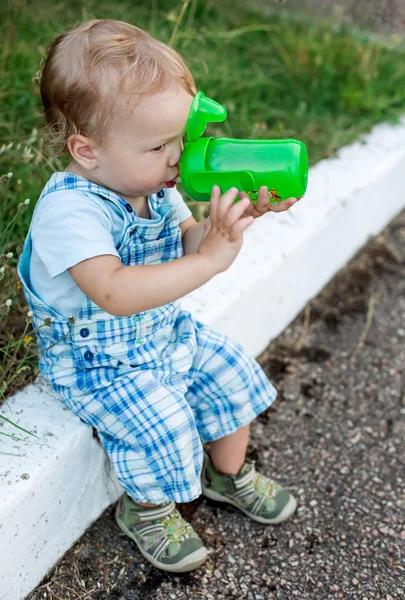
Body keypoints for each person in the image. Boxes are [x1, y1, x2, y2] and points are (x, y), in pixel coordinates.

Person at [18, 19, 301, 573]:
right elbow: (115, 292)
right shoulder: (69, 210)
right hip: (97, 362)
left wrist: (233, 220)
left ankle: (229, 475)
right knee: (162, 419)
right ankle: (146, 510)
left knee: (227, 369)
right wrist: (205, 261)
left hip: (162, 335)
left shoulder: (152, 187)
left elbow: (193, 241)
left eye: (181, 139)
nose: (177, 158)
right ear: (87, 149)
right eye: (158, 145)